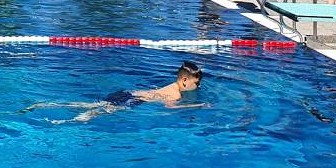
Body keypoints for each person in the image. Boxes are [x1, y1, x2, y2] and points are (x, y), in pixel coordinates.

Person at [28, 62, 204, 122]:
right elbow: (169, 107)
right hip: (135, 100)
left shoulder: (170, 86)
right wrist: (196, 106)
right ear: (184, 80)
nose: (198, 86)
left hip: (129, 93)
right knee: (99, 112)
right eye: (197, 83)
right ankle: (68, 122)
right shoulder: (176, 94)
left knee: (90, 105)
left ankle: (47, 104)